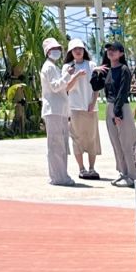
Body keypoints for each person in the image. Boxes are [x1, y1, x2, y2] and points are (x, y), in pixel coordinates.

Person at [95, 41, 136, 188]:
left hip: (121, 107)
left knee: (126, 141)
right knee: (115, 142)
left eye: (114, 50)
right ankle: (123, 172)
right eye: (108, 50)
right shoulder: (107, 70)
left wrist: (118, 112)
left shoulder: (124, 69)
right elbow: (95, 85)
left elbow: (123, 91)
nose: (110, 52)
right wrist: (96, 72)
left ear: (121, 53)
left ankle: (132, 175)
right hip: (109, 106)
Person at [40, 36, 76, 187]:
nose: (56, 52)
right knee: (56, 144)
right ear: (47, 52)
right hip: (53, 109)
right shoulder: (48, 67)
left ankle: (61, 174)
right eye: (53, 49)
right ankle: (57, 176)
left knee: (61, 144)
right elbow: (55, 87)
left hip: (59, 110)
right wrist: (67, 75)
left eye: (58, 49)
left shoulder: (53, 67)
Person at [63, 38, 101, 180]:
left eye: (80, 49)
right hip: (74, 107)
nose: (78, 51)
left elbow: (97, 86)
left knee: (92, 138)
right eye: (75, 49)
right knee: (77, 139)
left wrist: (93, 102)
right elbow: (66, 87)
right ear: (71, 52)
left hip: (91, 107)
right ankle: (81, 168)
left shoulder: (91, 65)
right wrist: (75, 75)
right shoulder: (67, 67)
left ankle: (92, 168)